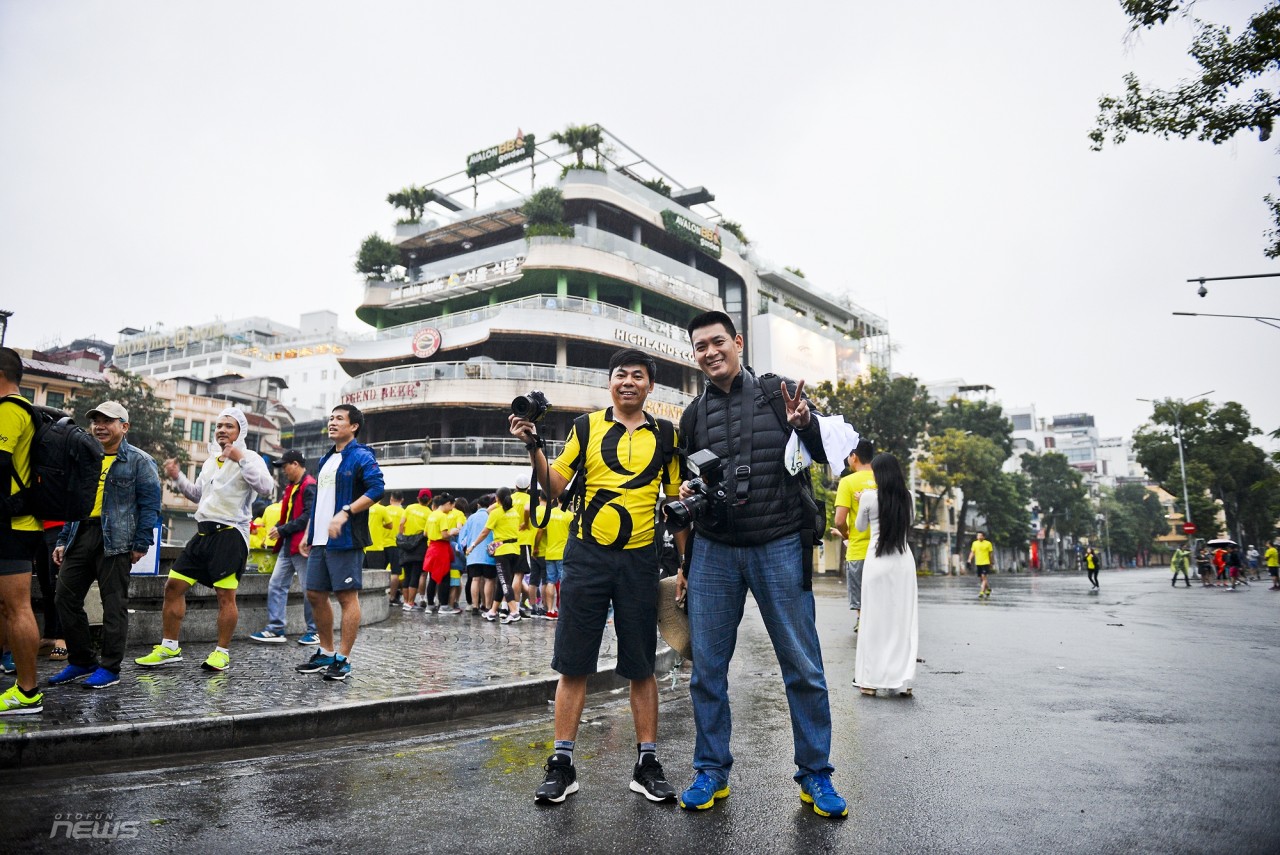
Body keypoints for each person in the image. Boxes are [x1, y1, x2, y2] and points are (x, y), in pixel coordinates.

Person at [673, 311, 847, 819]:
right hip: (713, 551)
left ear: (738, 342)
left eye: (717, 342)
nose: (709, 352)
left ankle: (816, 774)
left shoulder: (780, 394)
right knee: (706, 670)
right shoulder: (692, 415)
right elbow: (695, 482)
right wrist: (690, 492)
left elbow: (819, 453)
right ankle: (710, 769)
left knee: (803, 665)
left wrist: (806, 423)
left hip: (778, 544)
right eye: (700, 346)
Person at [514, 347, 682, 806]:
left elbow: (676, 506)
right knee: (573, 663)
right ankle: (562, 764)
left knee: (641, 665)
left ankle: (647, 764)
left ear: (650, 386)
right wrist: (533, 446)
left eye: (638, 376)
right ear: (610, 382)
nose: (629, 381)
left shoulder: (668, 436)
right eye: (621, 374)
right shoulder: (585, 427)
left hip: (640, 561)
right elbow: (556, 485)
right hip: (587, 557)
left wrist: (684, 566)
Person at [139, 407, 273, 672]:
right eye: (219, 426)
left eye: (229, 426)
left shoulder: (250, 457)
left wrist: (240, 459)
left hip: (230, 534)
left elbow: (266, 488)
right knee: (173, 586)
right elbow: (198, 495)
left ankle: (221, 652)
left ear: (240, 431)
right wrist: (177, 476)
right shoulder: (210, 461)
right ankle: (169, 647)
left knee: (225, 596)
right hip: (202, 534)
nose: (222, 430)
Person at [49, 400, 162, 690]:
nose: (99, 426)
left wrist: (141, 543)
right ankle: (82, 660)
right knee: (64, 597)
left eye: (107, 421)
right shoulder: (87, 458)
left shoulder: (139, 461)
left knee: (114, 605)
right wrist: (63, 539)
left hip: (116, 539)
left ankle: (110, 667)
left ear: (124, 427)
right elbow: (73, 501)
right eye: (96, 420)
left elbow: (150, 505)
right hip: (81, 533)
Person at [295, 404, 384, 681]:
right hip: (320, 539)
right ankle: (325, 651)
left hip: (345, 538)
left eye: (339, 419)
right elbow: (321, 500)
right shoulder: (325, 460)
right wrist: (309, 531)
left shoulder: (361, 456)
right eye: (330, 418)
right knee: (315, 594)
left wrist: (346, 513)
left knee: (347, 597)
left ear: (354, 426)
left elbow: (377, 489)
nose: (332, 423)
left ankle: (343, 659)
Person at [0, 347, 47, 713]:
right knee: (7, 606)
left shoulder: (10, 411)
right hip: (16, 522)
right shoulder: (19, 410)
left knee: (17, 606)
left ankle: (28, 692)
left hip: (12, 524)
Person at [852, 453, 919, 698]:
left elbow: (860, 527)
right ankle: (903, 681)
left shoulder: (869, 496)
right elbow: (909, 523)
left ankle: (869, 681)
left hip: (877, 562)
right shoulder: (909, 497)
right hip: (902, 562)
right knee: (902, 621)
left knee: (874, 621)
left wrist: (862, 503)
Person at [250, 450, 318, 645]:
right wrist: (281, 529)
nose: (283, 471)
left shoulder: (309, 486)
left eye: (285, 466)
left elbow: (308, 517)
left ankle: (314, 631)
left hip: (302, 545)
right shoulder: (292, 486)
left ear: (295, 464)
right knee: (277, 584)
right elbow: (292, 515)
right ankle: (276, 629)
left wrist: (282, 529)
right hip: (288, 545)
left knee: (309, 589)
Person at [832, 440, 876, 626]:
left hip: (858, 550)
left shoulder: (847, 482)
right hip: (883, 549)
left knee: (860, 598)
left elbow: (840, 521)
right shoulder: (884, 478)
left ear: (854, 456)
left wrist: (846, 534)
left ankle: (862, 621)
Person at [459, 495, 495, 615]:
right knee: (489, 580)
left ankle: (475, 606)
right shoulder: (491, 516)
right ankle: (487, 606)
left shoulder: (471, 518)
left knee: (475, 579)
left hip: (473, 554)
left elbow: (463, 537)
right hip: (489, 554)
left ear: (478, 505)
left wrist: (462, 549)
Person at [398, 489, 431, 610]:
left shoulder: (409, 508)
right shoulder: (429, 513)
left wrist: (402, 537)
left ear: (418, 498)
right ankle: (411, 602)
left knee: (407, 574)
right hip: (420, 545)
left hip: (406, 543)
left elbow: (401, 524)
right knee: (415, 574)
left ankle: (405, 601)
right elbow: (427, 532)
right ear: (430, 500)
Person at [382, 492, 406, 605]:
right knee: (396, 571)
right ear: (402, 500)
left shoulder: (384, 510)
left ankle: (381, 594)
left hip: (382, 543)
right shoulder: (403, 512)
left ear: (391, 499)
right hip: (396, 544)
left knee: (381, 570)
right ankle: (392, 597)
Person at [969, 532, 994, 598]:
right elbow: (972, 552)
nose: (979, 537)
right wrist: (969, 560)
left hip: (986, 562)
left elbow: (990, 554)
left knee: (984, 577)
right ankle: (988, 589)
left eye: (980, 535)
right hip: (978, 563)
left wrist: (991, 563)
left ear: (984, 537)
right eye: (978, 535)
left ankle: (981, 592)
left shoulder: (988, 543)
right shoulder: (974, 543)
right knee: (981, 579)